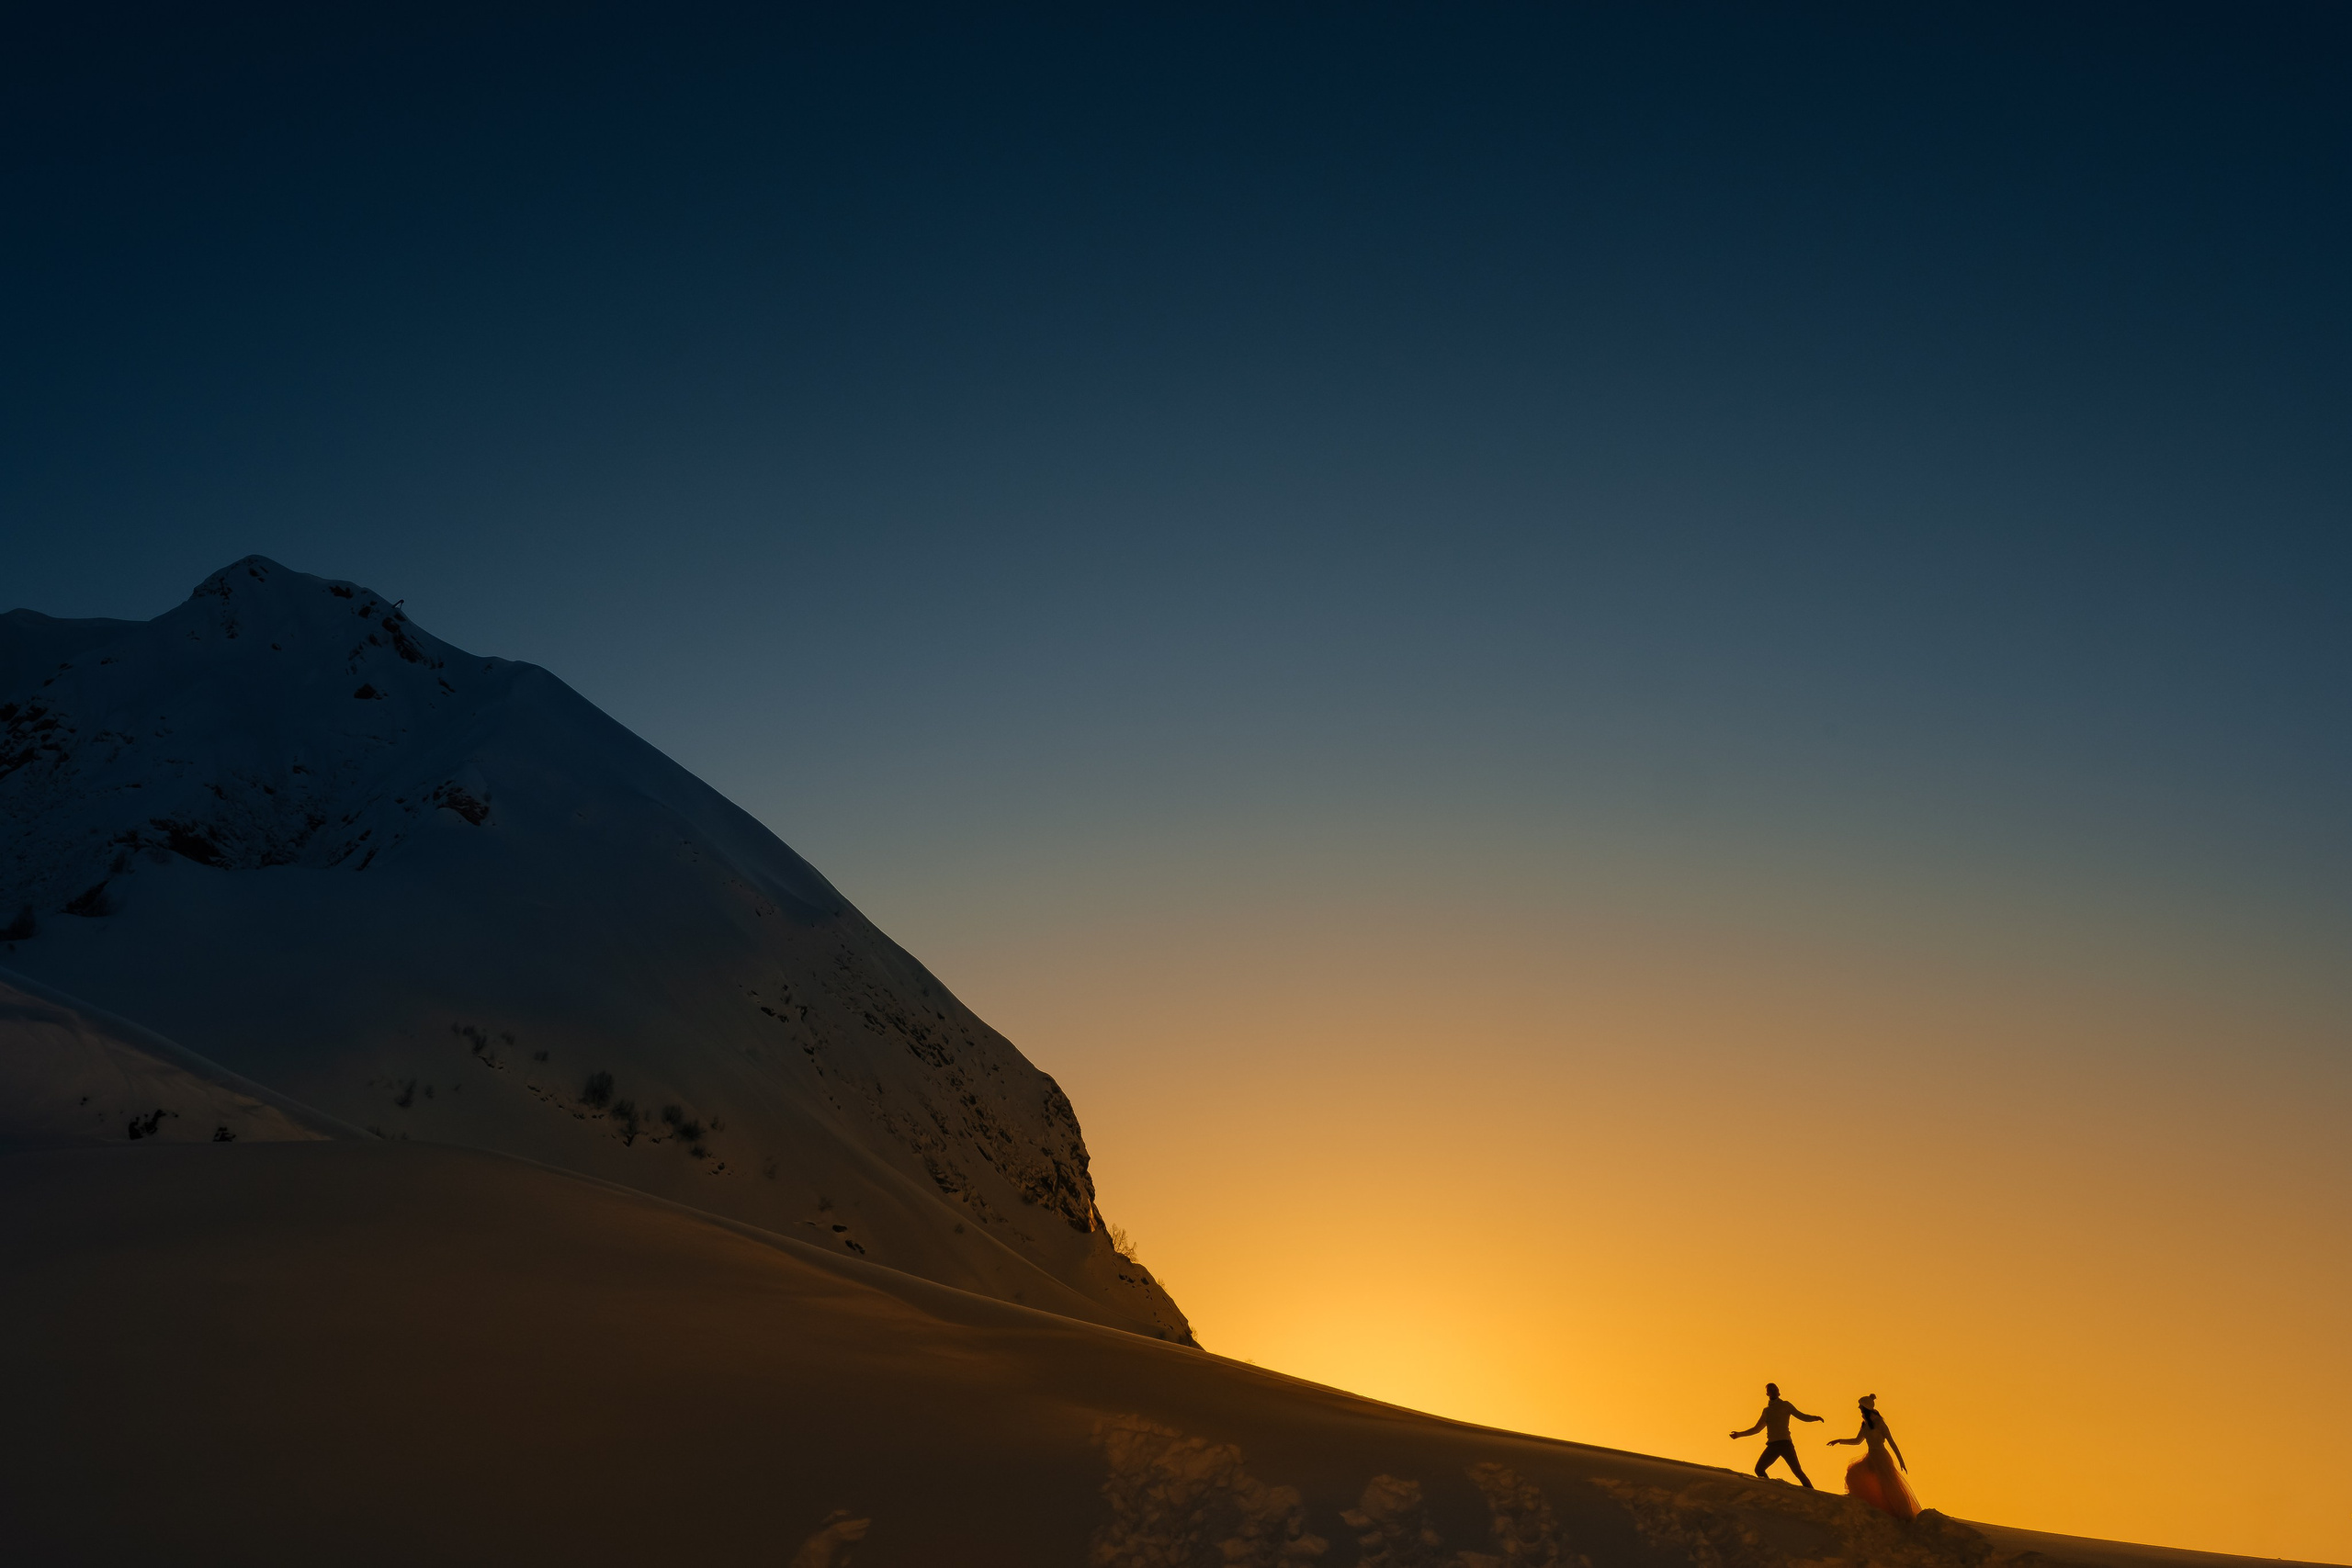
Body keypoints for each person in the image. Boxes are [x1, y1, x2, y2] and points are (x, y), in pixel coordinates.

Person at [1827, 1393, 1919, 1520]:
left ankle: (1903, 1514)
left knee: (1889, 1485)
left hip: (1881, 1457)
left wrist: (1901, 1461)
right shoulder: (1865, 1425)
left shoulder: (1880, 1423)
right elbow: (1857, 1440)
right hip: (1871, 1457)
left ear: (1866, 1408)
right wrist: (1839, 1440)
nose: (1859, 1409)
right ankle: (1872, 1504)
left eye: (1861, 1407)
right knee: (1854, 1472)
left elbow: (1892, 1442)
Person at [1729, 1382, 1823, 1487]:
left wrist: (1814, 1418)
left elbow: (1802, 1416)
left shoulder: (1786, 1405)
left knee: (1797, 1471)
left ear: (1779, 1393)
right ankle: (1770, 1489)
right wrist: (1739, 1434)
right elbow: (1756, 1429)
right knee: (1759, 1469)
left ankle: (1812, 1492)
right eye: (1771, 1390)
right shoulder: (1767, 1411)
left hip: (1785, 1444)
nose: (1773, 1392)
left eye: (1775, 1390)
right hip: (1772, 1446)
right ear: (1767, 1394)